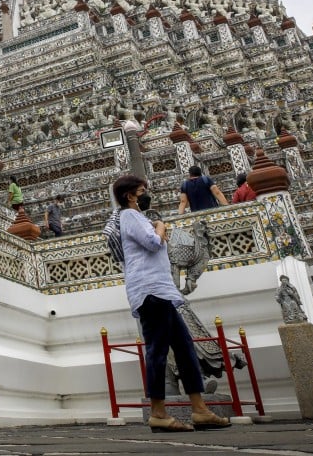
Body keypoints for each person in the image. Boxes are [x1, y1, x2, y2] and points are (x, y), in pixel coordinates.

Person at [113, 174, 231, 433]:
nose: (146, 194)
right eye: (142, 190)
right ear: (129, 195)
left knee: (185, 347)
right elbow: (154, 243)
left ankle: (199, 409)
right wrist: (161, 226)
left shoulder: (137, 217)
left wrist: (157, 227)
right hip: (150, 291)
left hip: (162, 291)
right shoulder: (129, 216)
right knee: (157, 351)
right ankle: (158, 413)